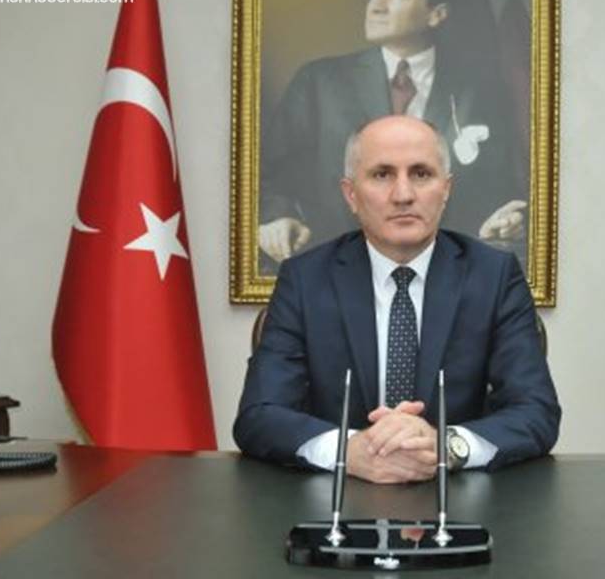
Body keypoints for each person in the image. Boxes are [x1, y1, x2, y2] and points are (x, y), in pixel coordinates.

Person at [235, 115, 560, 484]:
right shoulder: (304, 280)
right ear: (351, 194)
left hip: (457, 502)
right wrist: (349, 450)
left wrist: (444, 446)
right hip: (335, 502)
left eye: (421, 174)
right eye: (382, 174)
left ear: (446, 189)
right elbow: (259, 415)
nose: (403, 194)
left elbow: (536, 412)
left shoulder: (494, 277)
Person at [257, 0, 528, 272]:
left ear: (436, 14)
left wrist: (509, 217)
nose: (376, 6)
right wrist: (277, 217)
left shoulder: (480, 89)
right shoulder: (320, 82)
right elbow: (270, 174)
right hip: (337, 270)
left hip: (448, 273)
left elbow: (509, 181)